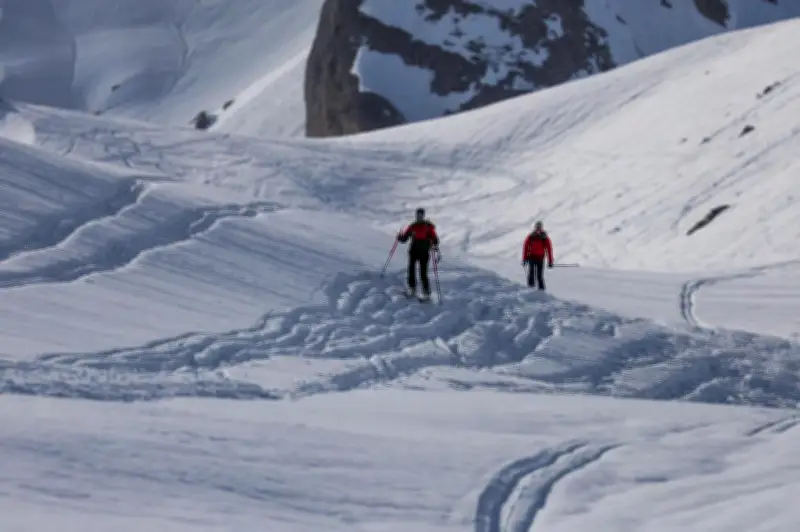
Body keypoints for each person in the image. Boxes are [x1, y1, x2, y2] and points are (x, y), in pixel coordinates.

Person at [397, 207, 440, 300]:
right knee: (411, 270)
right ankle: (412, 289)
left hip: (424, 253)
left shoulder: (428, 227)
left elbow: (436, 240)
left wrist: (433, 241)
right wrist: (400, 238)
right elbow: (405, 238)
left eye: (421, 215)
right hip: (413, 252)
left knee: (423, 273)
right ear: (416, 215)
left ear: (423, 215)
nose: (419, 216)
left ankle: (426, 293)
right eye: (418, 215)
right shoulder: (413, 226)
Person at [522, 221, 553, 290]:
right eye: (537, 227)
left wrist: (550, 261)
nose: (538, 229)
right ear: (535, 228)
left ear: (541, 228)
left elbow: (549, 250)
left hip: (540, 258)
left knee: (539, 275)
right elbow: (526, 247)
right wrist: (525, 258)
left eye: (539, 228)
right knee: (531, 273)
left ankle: (541, 291)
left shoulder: (544, 238)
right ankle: (530, 289)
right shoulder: (531, 236)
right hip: (532, 257)